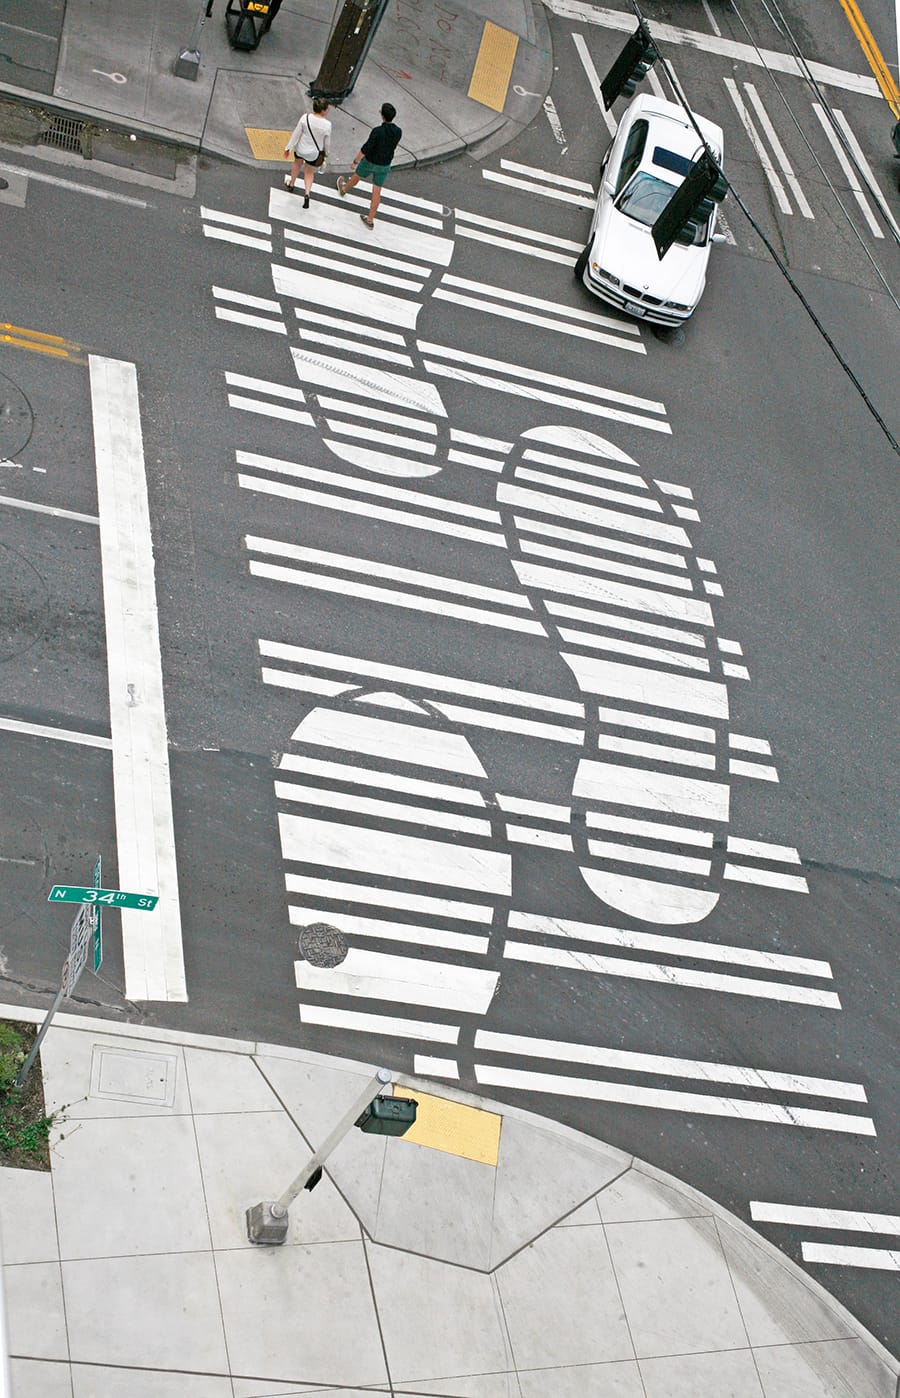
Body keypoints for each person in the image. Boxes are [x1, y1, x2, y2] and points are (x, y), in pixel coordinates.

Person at [337, 102, 402, 229]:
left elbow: (366, 148)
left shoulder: (377, 131)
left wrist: (355, 161)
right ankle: (370, 219)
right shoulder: (398, 131)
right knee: (376, 192)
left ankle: (344, 189)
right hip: (384, 165)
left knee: (357, 176)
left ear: (382, 115)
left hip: (370, 161)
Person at [283, 97, 331, 209]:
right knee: (309, 171)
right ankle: (307, 193)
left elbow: (296, 133)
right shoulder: (327, 125)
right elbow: (327, 143)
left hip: (301, 148)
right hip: (314, 153)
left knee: (297, 164)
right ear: (323, 110)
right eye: (327, 109)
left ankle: (291, 183)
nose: (328, 110)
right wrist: (326, 154)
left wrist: (288, 148)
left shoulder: (305, 118)